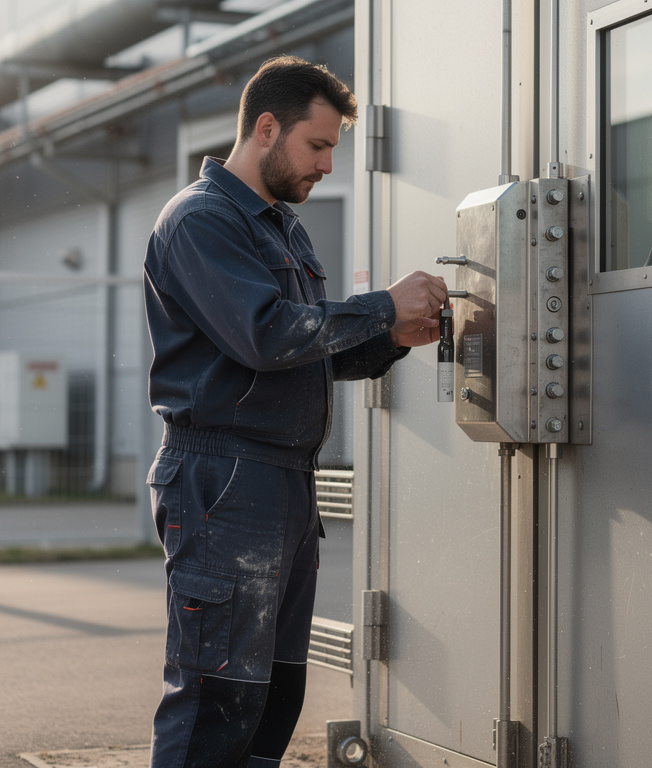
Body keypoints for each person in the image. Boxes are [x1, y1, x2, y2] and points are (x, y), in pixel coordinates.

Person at [142, 55, 448, 768]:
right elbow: (265, 334)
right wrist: (381, 305)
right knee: (216, 700)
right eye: (317, 145)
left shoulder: (283, 228)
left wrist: (392, 337)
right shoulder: (200, 220)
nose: (327, 165)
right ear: (266, 129)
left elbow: (305, 351)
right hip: (224, 481)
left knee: (271, 698)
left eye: (332, 148)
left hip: (282, 480)